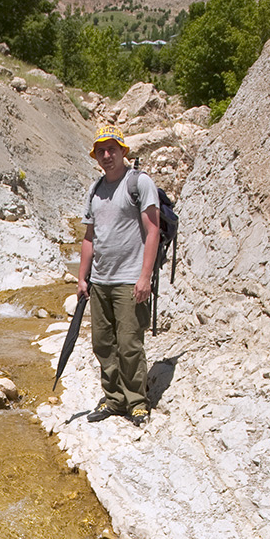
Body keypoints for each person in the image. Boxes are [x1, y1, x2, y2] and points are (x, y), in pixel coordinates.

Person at [76, 126, 162, 422]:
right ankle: (113, 398)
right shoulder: (96, 189)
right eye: (101, 151)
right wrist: (82, 277)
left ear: (123, 151)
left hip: (129, 278)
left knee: (129, 343)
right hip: (100, 280)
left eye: (112, 149)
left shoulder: (139, 183)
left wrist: (145, 277)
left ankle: (137, 401)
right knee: (103, 342)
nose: (107, 155)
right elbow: (89, 237)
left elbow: (153, 230)